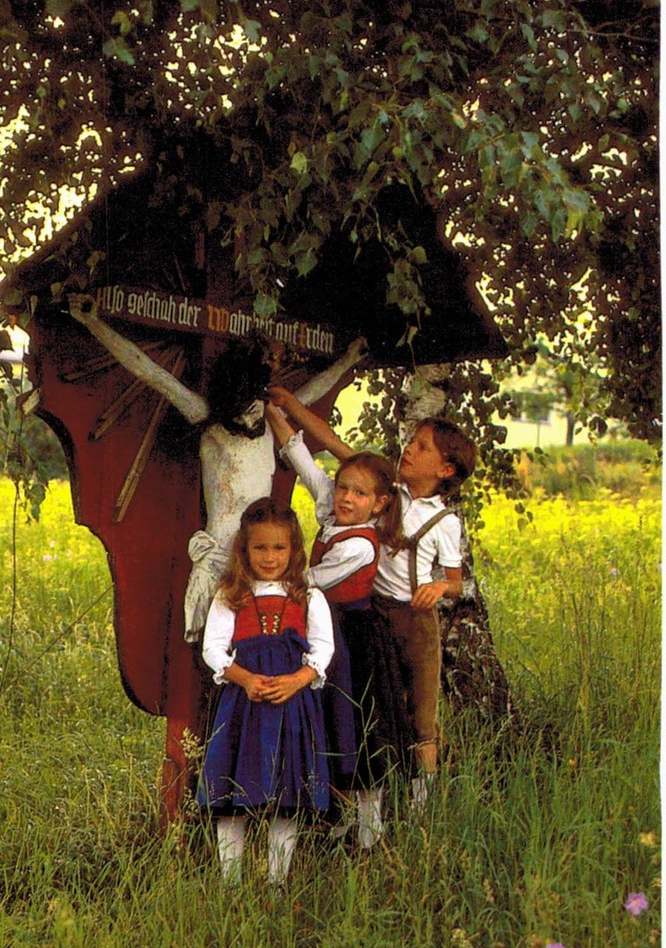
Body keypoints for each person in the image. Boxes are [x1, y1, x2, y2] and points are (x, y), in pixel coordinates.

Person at [68, 294, 367, 641]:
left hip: (266, 560)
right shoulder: (207, 420)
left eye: (258, 401)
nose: (256, 410)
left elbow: (309, 394)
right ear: (230, 399)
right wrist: (94, 323)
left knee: (265, 647)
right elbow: (150, 372)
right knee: (216, 651)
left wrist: (347, 360)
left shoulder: (268, 421)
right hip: (221, 561)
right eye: (246, 403)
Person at [268, 387, 476, 815]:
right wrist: (291, 408)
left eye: (421, 447)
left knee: (422, 713)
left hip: (417, 622)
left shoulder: (446, 521)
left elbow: (458, 583)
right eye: (411, 442)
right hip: (374, 614)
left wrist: (439, 588)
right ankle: (371, 793)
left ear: (445, 468)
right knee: (380, 704)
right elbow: (333, 447)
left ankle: (422, 804)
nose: (409, 450)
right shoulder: (385, 492)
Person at [265, 403, 393, 847]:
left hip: (353, 636)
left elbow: (309, 580)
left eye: (359, 494)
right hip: (326, 629)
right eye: (343, 488)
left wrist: (259, 577)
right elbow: (302, 459)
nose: (346, 498)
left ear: (379, 504)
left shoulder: (358, 545)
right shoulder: (332, 512)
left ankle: (370, 827)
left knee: (357, 721)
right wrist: (271, 411)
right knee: (331, 722)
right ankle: (343, 816)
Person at [197, 497, 335, 886]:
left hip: (292, 706)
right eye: (260, 547)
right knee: (231, 792)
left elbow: (324, 648)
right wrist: (244, 679)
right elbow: (213, 648)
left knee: (287, 794)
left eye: (279, 548)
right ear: (245, 549)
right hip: (243, 705)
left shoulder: (308, 597)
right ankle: (230, 882)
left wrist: (297, 680)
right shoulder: (231, 595)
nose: (270, 557)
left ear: (293, 550)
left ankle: (277, 882)